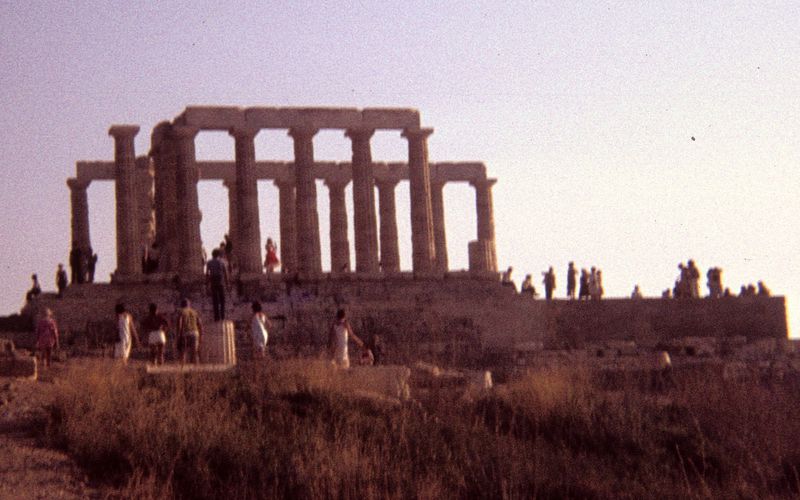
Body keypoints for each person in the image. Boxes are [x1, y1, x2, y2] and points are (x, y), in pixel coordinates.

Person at [177, 298, 203, 365]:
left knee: (183, 351)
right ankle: (196, 368)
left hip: (186, 333)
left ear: (182, 305)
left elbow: (180, 323)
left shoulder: (181, 311)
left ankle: (182, 367)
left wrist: (178, 335)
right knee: (194, 352)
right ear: (189, 305)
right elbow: (199, 324)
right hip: (195, 332)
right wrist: (201, 334)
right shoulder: (194, 312)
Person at [206, 248, 229, 321]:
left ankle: (216, 317)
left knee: (215, 299)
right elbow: (225, 273)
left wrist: (207, 284)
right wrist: (227, 283)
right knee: (222, 299)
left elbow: (207, 274)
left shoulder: (209, 262)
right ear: (218, 255)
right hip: (220, 280)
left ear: (212, 255)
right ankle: (222, 316)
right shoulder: (222, 262)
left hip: (213, 280)